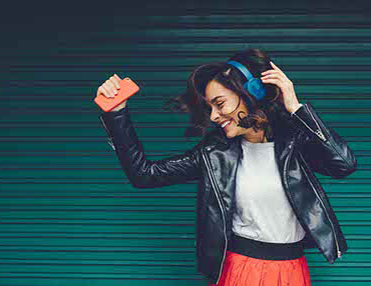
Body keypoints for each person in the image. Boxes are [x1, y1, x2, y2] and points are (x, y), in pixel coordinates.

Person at [97, 48, 357, 286]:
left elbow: (343, 165)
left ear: (251, 93)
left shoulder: (295, 141)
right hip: (240, 269)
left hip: (292, 271)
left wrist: (296, 108)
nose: (213, 116)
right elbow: (144, 175)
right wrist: (116, 113)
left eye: (219, 104)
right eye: (209, 107)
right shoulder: (214, 153)